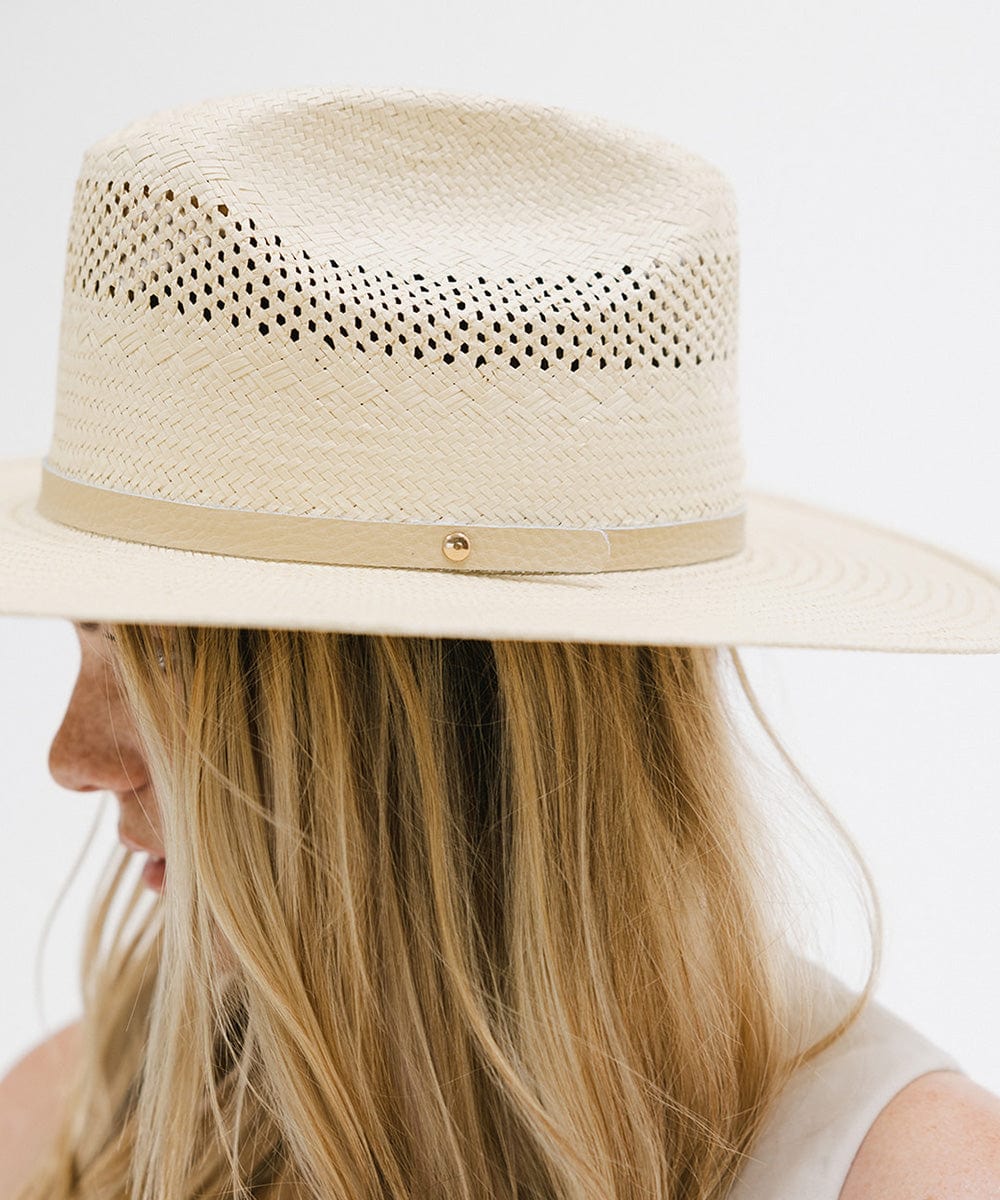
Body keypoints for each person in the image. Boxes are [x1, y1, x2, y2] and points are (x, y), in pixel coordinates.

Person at [0, 85, 998, 1199]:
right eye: (90, 644)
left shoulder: (909, 1174)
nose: (70, 756)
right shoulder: (82, 1123)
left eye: (159, 657)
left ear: (442, 704)